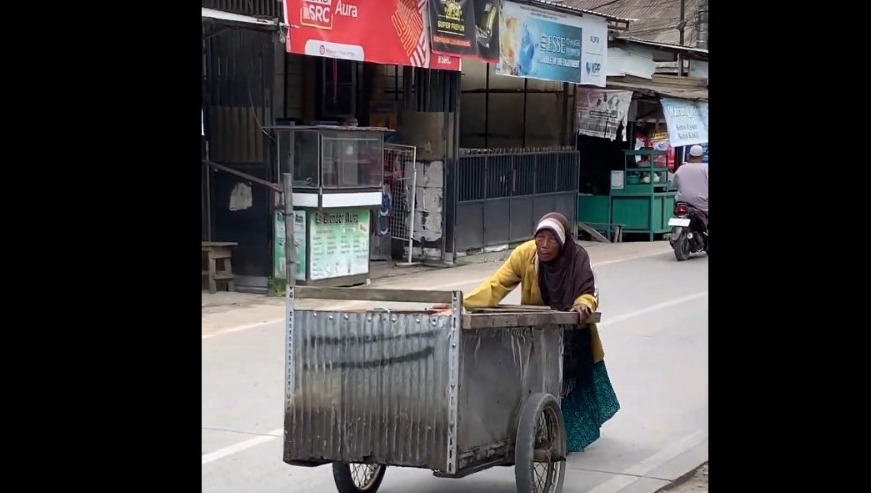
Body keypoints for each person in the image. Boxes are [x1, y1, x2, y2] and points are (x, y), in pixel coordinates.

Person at [453, 212, 621, 453]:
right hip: (538, 329)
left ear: (563, 242)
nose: (544, 245)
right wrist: (461, 304)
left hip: (572, 333)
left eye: (552, 240)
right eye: (540, 238)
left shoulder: (577, 257)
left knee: (568, 384)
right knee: (530, 379)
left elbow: (588, 291)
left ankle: (562, 436)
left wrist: (582, 305)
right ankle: (533, 431)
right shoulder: (525, 255)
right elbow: (496, 285)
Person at [672, 144, 709, 214]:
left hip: (682, 204)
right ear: (702, 156)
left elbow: (674, 185)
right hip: (703, 206)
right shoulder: (706, 168)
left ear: (688, 156)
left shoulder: (681, 168)